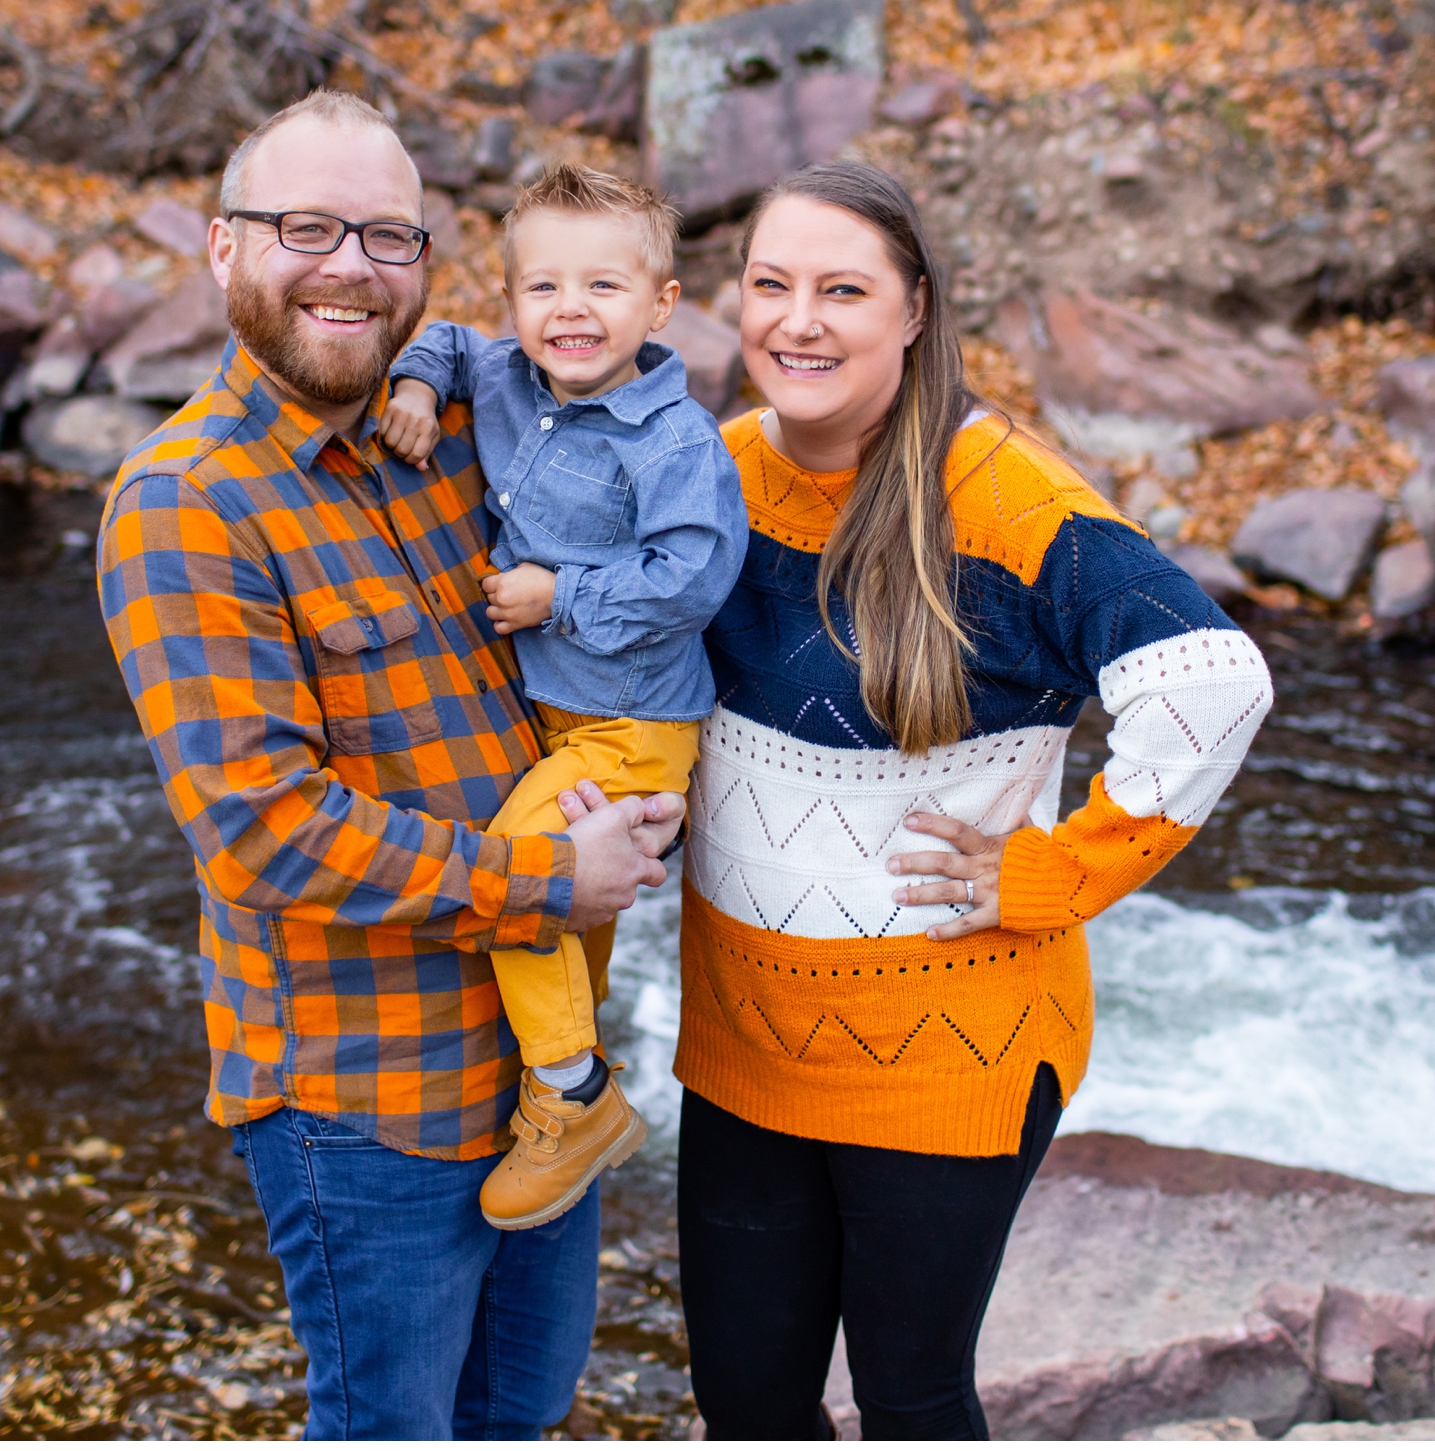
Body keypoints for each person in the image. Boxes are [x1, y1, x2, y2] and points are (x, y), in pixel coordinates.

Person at [648, 160, 1276, 1438]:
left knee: (912, 1395)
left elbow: (1214, 680)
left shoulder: (1006, 500)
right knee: (747, 1401)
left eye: (842, 290)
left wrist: (1049, 874)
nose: (797, 320)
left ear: (916, 309)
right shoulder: (713, 472)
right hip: (742, 1040)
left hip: (948, 1046)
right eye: (770, 285)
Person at [93, 90, 683, 1440]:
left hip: (546, 1075)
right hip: (366, 1101)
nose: (351, 266)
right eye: (308, 227)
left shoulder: (455, 431)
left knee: (520, 1412)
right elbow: (261, 824)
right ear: (223, 247)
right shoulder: (185, 500)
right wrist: (547, 880)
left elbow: (590, 357)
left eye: (389, 236)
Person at [379, 163, 747, 1231]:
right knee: (572, 922)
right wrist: (410, 384)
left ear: (661, 304)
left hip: (635, 721)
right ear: (513, 301)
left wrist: (558, 596)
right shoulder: (499, 376)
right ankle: (562, 1080)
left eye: (602, 288)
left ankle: (575, 1095)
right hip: (551, 718)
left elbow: (691, 580)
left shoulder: (673, 442)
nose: (570, 311)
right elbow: (445, 343)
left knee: (524, 878)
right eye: (542, 288)